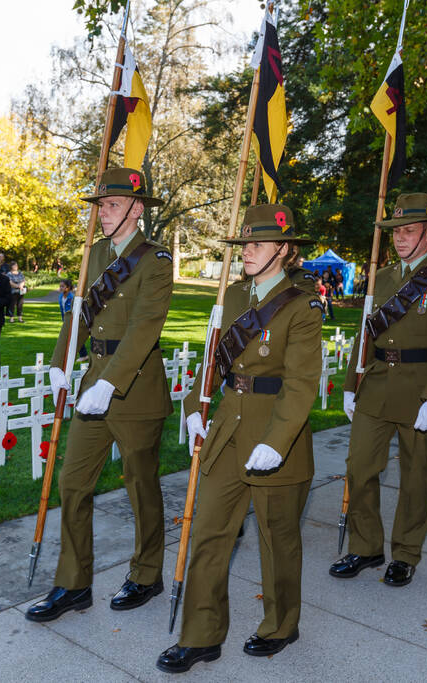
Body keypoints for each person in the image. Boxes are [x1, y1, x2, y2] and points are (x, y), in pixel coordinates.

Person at [157, 204, 322, 673]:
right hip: (227, 428)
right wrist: (194, 407)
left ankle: (281, 625)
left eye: (258, 244)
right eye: (244, 244)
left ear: (285, 251)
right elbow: (213, 362)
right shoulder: (231, 296)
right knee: (209, 532)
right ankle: (201, 636)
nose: (247, 252)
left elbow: (301, 382)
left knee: (278, 539)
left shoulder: (303, 306)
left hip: (276, 435)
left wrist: (279, 438)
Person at [26, 167, 172, 624]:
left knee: (140, 486)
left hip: (135, 389)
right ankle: (73, 584)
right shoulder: (96, 254)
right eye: (101, 205)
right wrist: (59, 360)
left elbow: (146, 325)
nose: (103, 213)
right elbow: (81, 315)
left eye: (111, 205)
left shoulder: (157, 260)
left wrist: (111, 382)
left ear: (136, 208)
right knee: (73, 483)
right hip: (93, 385)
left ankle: (147, 575)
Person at [332, 193, 427, 589]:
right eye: (396, 231)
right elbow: (365, 335)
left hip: (421, 388)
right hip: (376, 386)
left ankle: (406, 554)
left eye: (409, 230)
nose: (400, 238)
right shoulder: (383, 277)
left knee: (415, 480)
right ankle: (366, 546)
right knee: (359, 469)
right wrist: (349, 384)